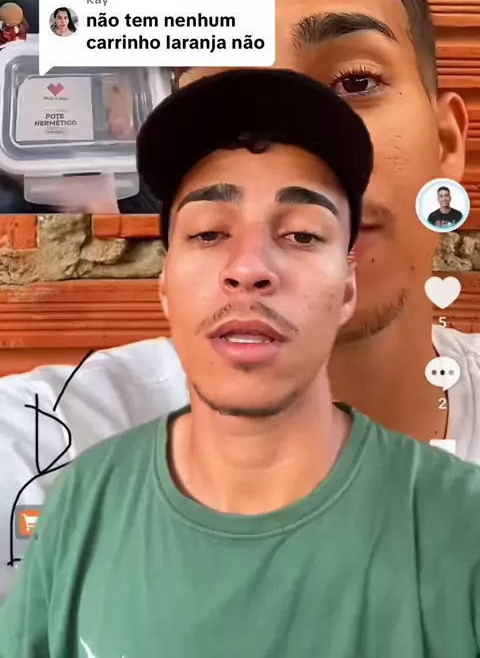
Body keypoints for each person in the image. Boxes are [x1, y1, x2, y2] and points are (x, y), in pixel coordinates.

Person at [1, 0, 480, 605]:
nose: (297, 159)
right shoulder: (45, 451)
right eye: (233, 106)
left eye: (354, 82)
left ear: (447, 143)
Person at [2, 68, 480, 658]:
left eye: (302, 235)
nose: (249, 268)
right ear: (166, 285)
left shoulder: (462, 525)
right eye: (208, 234)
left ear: (347, 288)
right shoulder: (81, 504)